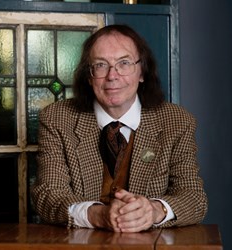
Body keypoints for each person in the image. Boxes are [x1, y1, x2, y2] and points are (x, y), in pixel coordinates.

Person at [31, 24, 207, 232]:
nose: (112, 76)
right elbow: (47, 195)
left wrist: (154, 210)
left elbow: (194, 198)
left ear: (142, 72)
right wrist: (98, 215)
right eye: (101, 65)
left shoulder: (177, 121)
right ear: (89, 76)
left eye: (124, 63)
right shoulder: (57, 118)